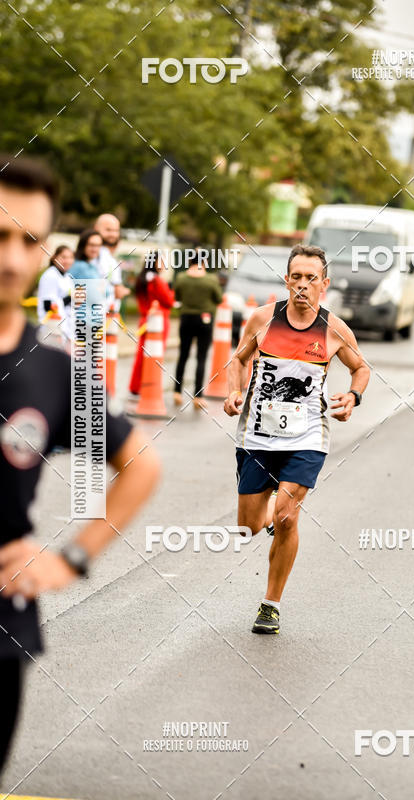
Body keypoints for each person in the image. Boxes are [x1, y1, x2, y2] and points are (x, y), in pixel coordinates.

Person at [0, 155, 161, 773]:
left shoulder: (52, 369)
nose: (14, 259)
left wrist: (70, 557)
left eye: (30, 240)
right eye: (1, 236)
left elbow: (141, 464)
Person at [224, 244, 370, 634]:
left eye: (311, 278)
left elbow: (361, 368)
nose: (302, 285)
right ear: (286, 280)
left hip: (308, 435)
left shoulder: (334, 329)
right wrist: (234, 392)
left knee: (288, 516)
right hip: (257, 434)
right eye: (296, 277)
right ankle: (270, 509)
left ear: (324, 283)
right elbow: (238, 360)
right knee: (248, 527)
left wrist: (353, 396)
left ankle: (270, 604)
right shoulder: (262, 320)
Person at [173, 250, 223, 410]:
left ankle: (177, 392)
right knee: (201, 358)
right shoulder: (211, 279)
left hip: (186, 318)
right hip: (205, 319)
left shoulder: (181, 278)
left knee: (183, 355)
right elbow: (219, 299)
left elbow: (177, 297)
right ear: (204, 262)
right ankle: (198, 396)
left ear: (190, 261)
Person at [129, 251, 174, 397]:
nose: (163, 264)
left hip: (145, 320)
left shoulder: (142, 279)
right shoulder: (157, 281)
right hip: (158, 322)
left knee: (141, 355)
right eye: (161, 261)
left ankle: (136, 386)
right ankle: (150, 385)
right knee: (155, 355)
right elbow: (168, 301)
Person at [36, 245, 74, 343]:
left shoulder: (67, 277)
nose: (67, 261)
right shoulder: (50, 275)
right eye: (63, 257)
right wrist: (71, 298)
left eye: (70, 257)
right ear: (54, 258)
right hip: (51, 329)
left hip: (64, 329)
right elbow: (48, 306)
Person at [94, 213, 130, 312]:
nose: (113, 234)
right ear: (96, 229)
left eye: (116, 230)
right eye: (108, 230)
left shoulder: (110, 258)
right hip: (94, 318)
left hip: (107, 318)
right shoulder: (94, 255)